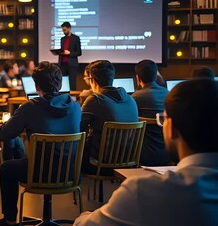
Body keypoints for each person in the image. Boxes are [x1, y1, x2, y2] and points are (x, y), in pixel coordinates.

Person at [74, 79, 218, 226]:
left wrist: (84, 216)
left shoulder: (142, 192)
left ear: (172, 128)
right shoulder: (129, 100)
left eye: (163, 119)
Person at [0, 62, 81, 226]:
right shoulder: (76, 107)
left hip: (39, 173)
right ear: (60, 83)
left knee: (7, 168)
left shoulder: (30, 107)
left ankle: (10, 220)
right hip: (71, 172)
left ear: (37, 85)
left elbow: (4, 135)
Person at [81, 60, 138, 174]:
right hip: (128, 163)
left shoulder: (95, 99)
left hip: (100, 164)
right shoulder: (131, 99)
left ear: (93, 81)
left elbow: (78, 129)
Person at [132, 59, 170, 166]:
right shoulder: (168, 94)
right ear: (156, 76)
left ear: (138, 78)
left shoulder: (135, 97)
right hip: (167, 154)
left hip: (141, 154)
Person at [58, 21, 82, 90]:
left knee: (72, 83)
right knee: (63, 83)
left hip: (72, 64)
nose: (64, 32)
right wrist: (58, 52)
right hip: (62, 64)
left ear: (69, 28)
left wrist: (69, 53)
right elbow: (63, 50)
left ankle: (72, 99)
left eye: (65, 30)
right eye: (63, 30)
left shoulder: (76, 38)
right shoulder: (62, 39)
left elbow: (79, 52)